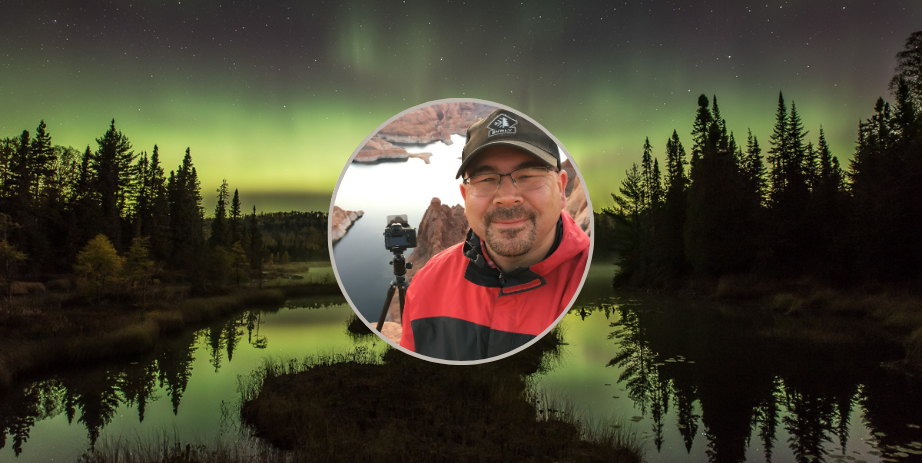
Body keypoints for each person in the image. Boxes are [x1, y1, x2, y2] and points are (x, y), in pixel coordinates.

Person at [399, 108, 590, 361]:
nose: (507, 198)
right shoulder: (426, 285)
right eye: (486, 179)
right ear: (466, 198)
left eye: (528, 176)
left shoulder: (594, 282)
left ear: (561, 188)